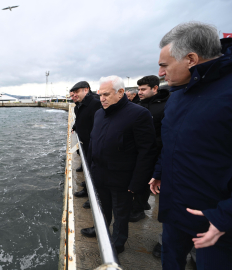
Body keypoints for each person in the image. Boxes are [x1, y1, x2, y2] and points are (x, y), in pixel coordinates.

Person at [149, 22, 232, 269]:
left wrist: (224, 216)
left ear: (191, 59)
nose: (161, 74)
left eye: (164, 65)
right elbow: (173, 140)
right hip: (176, 211)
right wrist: (159, 172)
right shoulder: (178, 95)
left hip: (217, 224)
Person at [81, 76, 156, 255]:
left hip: (122, 178)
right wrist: (90, 170)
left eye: (106, 94)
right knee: (102, 208)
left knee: (121, 213)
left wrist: (137, 183)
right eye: (100, 95)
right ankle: (100, 229)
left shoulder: (139, 114)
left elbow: (147, 151)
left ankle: (118, 242)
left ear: (121, 92)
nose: (102, 99)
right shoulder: (99, 113)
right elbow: (93, 142)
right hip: (99, 173)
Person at [129, 75, 170, 224]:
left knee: (147, 180)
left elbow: (167, 132)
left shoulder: (165, 106)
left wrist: (154, 144)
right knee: (141, 178)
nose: (140, 92)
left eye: (143, 89)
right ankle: (141, 204)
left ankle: (138, 210)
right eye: (139, 89)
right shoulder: (138, 105)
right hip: (139, 151)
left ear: (155, 88)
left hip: (157, 151)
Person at [70, 81, 101, 199]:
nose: (74, 96)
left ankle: (92, 197)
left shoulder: (95, 104)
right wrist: (75, 127)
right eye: (73, 94)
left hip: (93, 144)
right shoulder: (80, 105)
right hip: (86, 143)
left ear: (86, 90)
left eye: (77, 92)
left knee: (93, 171)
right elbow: (80, 120)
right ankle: (88, 188)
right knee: (88, 170)